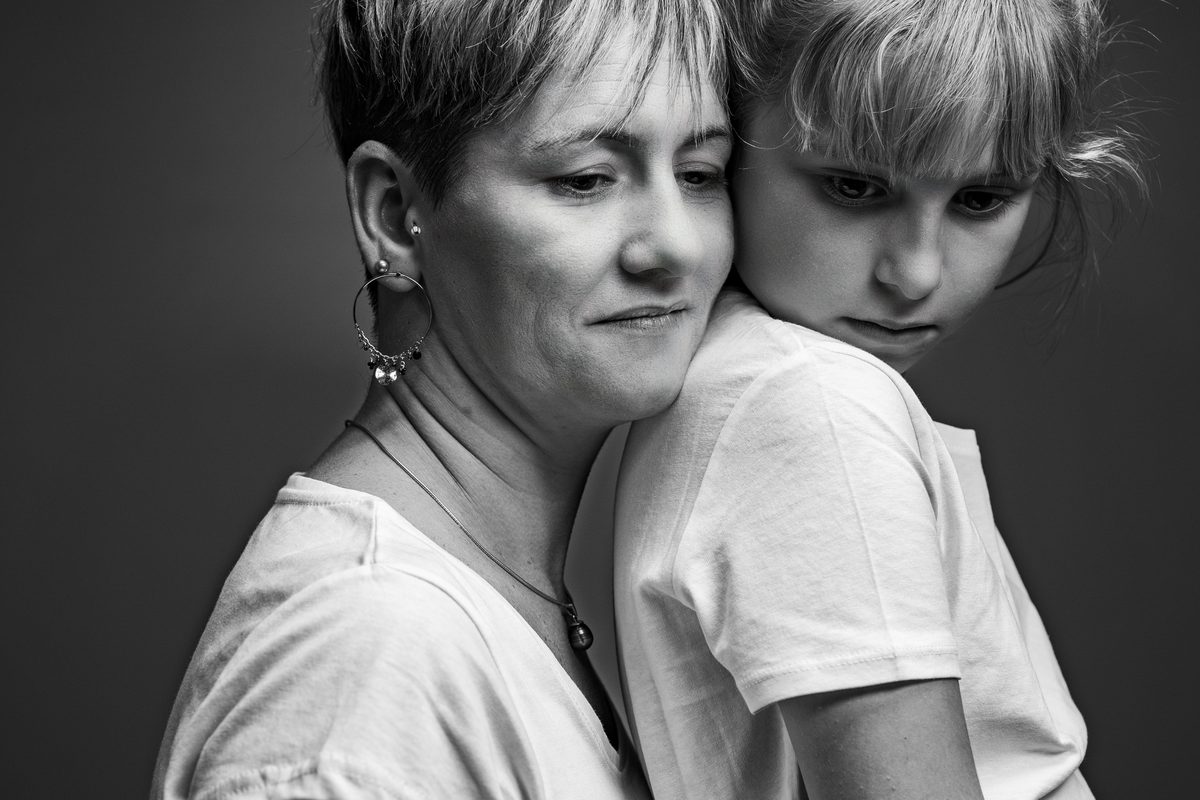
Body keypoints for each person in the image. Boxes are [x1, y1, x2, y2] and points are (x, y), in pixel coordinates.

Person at [150, 1, 735, 797]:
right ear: (393, 212)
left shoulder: (519, 590)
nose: (678, 243)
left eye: (701, 173)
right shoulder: (365, 657)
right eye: (587, 180)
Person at [614, 0, 1144, 798]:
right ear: (725, 137)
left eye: (981, 199)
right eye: (855, 186)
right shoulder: (810, 404)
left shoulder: (745, 378)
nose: (917, 273)